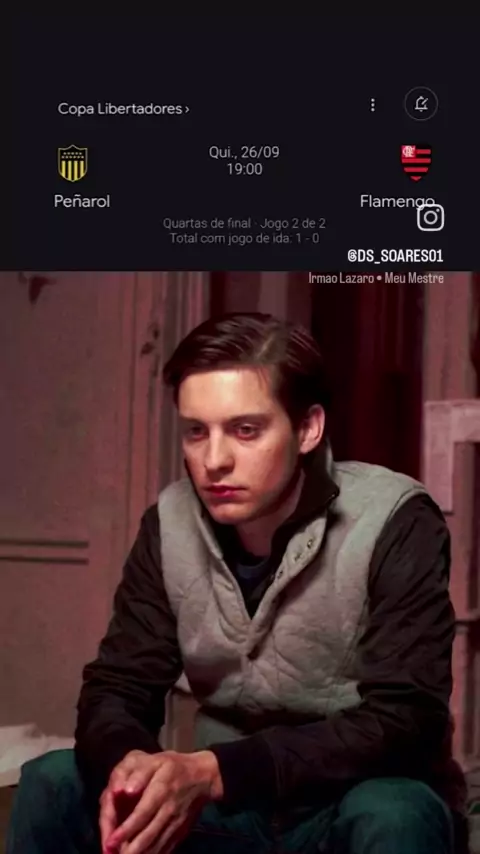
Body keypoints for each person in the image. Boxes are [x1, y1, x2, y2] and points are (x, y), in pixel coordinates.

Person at [7, 312, 467, 854]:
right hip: (228, 812)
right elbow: (119, 686)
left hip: (343, 803)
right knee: (52, 780)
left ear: (308, 429)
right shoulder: (170, 522)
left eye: (246, 430)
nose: (214, 461)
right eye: (196, 431)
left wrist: (214, 771)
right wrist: (130, 768)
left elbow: (406, 718)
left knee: (394, 812)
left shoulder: (394, 517)